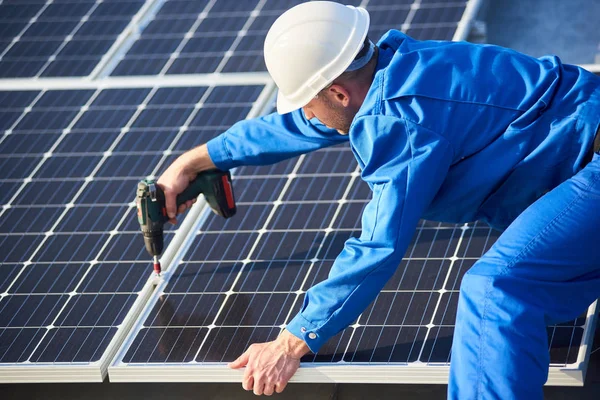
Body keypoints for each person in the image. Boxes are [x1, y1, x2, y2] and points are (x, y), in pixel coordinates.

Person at [157, 2, 600, 398]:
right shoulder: (391, 66)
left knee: (496, 291)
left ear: (337, 93)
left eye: (308, 103)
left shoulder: (398, 121)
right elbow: (298, 125)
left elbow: (378, 247)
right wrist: (196, 161)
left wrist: (292, 342)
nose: (307, 114)